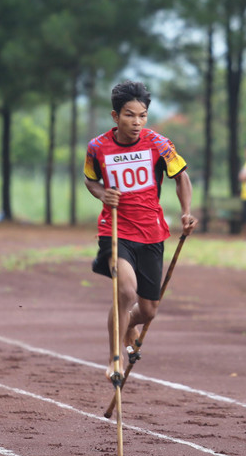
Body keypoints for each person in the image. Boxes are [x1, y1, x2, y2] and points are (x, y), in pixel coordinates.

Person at [84, 80, 198, 382]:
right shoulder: (97, 147)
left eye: (142, 115)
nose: (136, 122)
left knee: (148, 310)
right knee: (125, 289)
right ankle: (114, 361)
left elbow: (181, 177)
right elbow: (90, 180)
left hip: (152, 234)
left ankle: (130, 325)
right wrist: (100, 194)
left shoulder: (159, 143)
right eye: (129, 115)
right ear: (115, 116)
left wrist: (186, 211)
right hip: (116, 230)